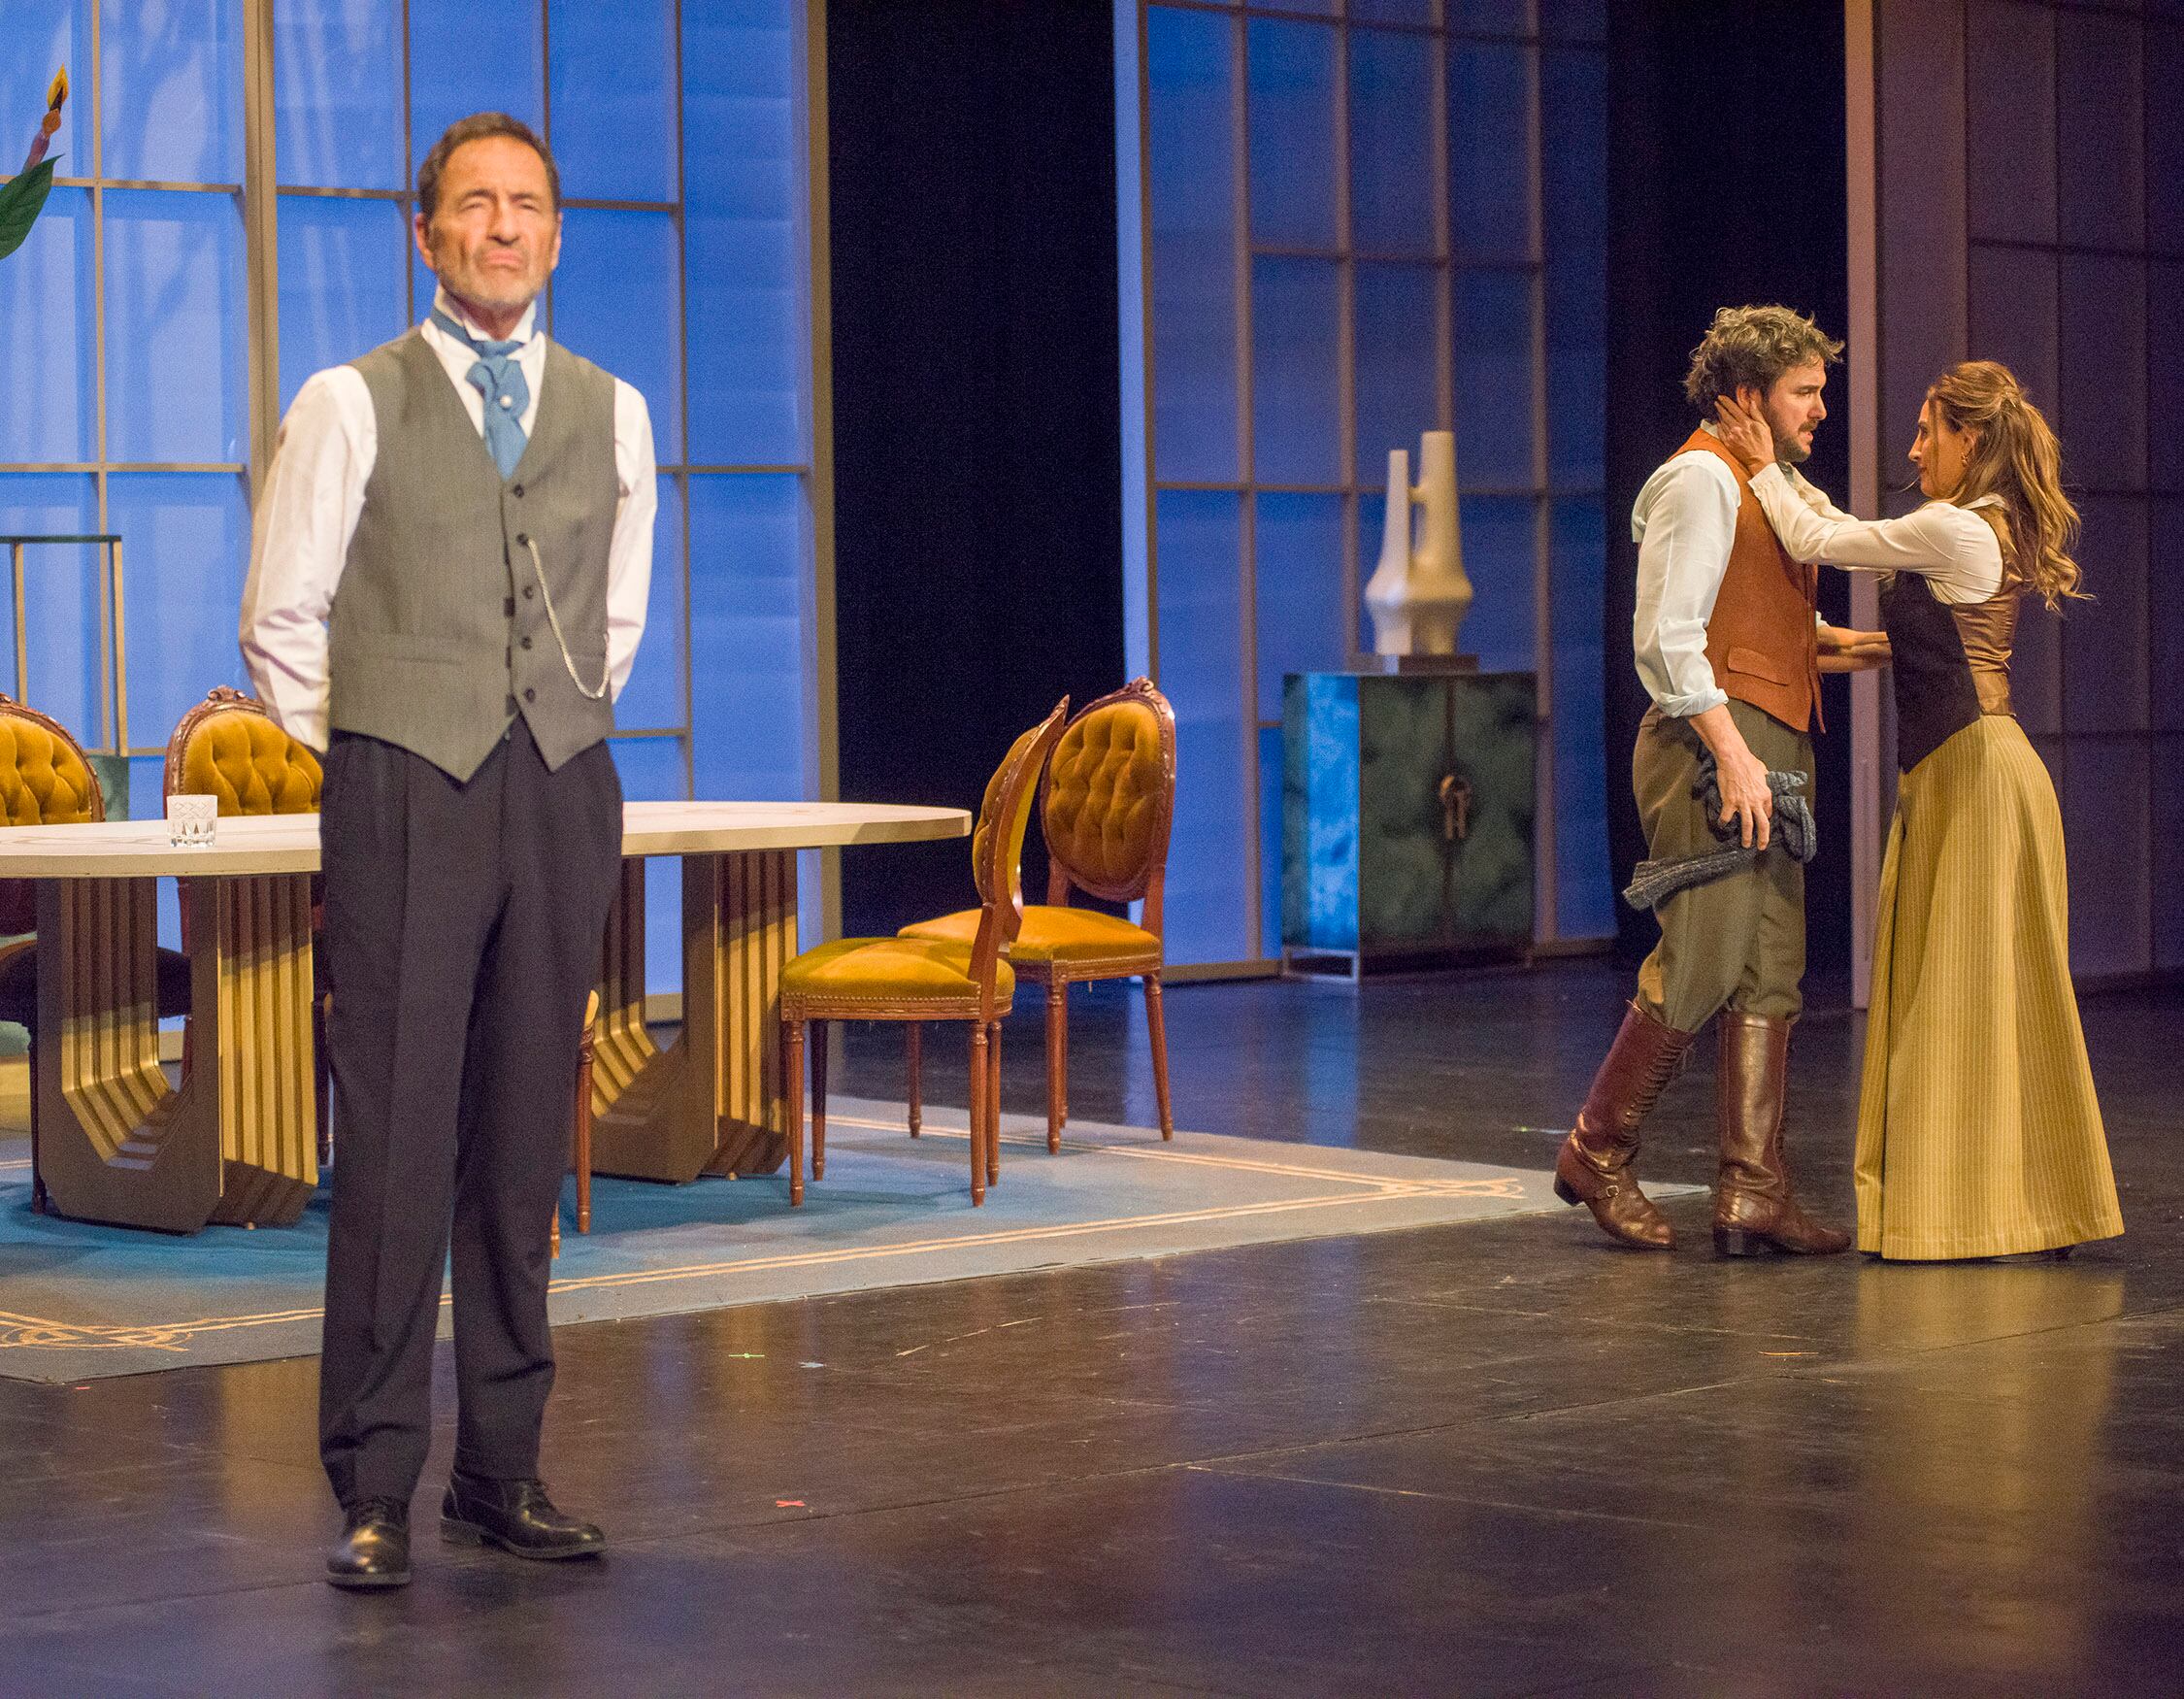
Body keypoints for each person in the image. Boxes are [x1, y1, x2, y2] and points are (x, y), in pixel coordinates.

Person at [240, 112, 656, 1588]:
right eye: (472, 205)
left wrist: (551, 725)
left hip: (558, 785)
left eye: (526, 206)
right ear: (424, 234)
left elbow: (614, 620)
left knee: (520, 1144)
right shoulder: (352, 401)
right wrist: (383, 746)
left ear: (553, 234)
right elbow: (283, 618)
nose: (500, 227)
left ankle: (502, 1471)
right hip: (403, 788)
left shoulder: (612, 410)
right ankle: (372, 1484)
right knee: (401, 1140)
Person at [1714, 360, 2123, 1262]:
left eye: (1927, 431)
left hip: (1978, 777)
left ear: (1969, 441)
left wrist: (1762, 461)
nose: (1912, 448)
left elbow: (1822, 538)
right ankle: (1994, 1208)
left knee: (1968, 995)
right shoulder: (1970, 528)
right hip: (1952, 776)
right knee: (1963, 989)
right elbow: (1910, 630)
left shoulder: (1959, 529)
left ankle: (1981, 1213)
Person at [1554, 304, 1880, 1256]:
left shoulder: (1761, 483)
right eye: (1805, 393)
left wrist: (1867, 645)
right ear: (1749, 395)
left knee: (1771, 960)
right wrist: (1733, 751)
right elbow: (1667, 635)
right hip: (1713, 746)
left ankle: (1752, 1188)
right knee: (1705, 948)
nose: (1822, 409)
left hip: (1769, 740)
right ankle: (1595, 1148)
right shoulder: (1701, 479)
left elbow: (1762, 618)